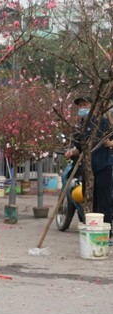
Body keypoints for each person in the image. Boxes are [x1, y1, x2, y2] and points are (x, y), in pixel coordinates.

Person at [64, 96, 113, 232]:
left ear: (92, 106)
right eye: (80, 105)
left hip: (103, 166)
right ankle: (91, 230)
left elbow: (111, 139)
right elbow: (78, 147)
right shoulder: (79, 126)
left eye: (85, 104)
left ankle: (107, 231)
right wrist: (72, 152)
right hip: (87, 168)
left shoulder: (103, 122)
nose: (82, 108)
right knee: (89, 201)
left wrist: (110, 143)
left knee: (104, 201)